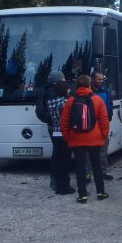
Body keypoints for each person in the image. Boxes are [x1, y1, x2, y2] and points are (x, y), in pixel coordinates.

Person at [61, 74, 110, 203]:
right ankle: (101, 192)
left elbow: (64, 121)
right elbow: (104, 120)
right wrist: (104, 135)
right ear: (89, 84)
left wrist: (68, 137)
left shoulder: (70, 100)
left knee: (80, 167)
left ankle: (82, 195)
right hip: (94, 139)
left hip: (76, 139)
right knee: (97, 166)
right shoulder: (97, 99)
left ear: (76, 85)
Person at [46, 78, 75, 194]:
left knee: (57, 159)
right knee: (65, 161)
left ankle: (57, 185)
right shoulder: (66, 102)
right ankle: (65, 186)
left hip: (55, 132)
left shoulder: (51, 102)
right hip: (64, 132)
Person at [91, 71, 114, 181]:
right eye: (98, 79)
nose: (100, 81)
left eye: (102, 79)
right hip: (90, 125)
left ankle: (103, 171)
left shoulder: (106, 91)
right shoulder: (88, 92)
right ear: (92, 79)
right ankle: (88, 173)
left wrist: (107, 118)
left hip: (103, 124)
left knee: (103, 150)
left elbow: (109, 106)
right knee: (88, 151)